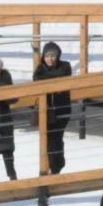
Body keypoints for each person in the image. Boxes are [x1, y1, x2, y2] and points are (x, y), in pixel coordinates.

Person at [32, 41, 73, 174]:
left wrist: (46, 78)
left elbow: (62, 75)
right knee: (48, 139)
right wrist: (48, 78)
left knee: (56, 138)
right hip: (46, 112)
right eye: (48, 56)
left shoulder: (65, 66)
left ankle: (56, 167)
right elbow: (37, 80)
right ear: (43, 57)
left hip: (61, 110)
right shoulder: (40, 69)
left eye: (53, 56)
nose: (50, 59)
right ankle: (49, 167)